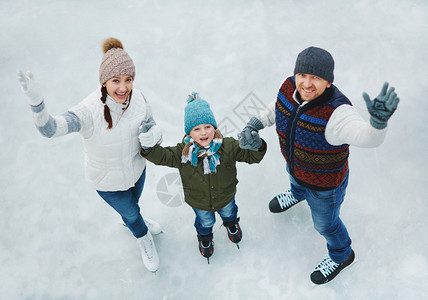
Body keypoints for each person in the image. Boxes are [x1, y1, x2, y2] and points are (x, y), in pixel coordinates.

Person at [238, 46, 399, 285]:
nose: (307, 83)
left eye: (316, 77)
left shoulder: (338, 113)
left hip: (325, 189)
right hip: (296, 168)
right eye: (303, 75)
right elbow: (277, 107)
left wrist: (377, 123)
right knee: (295, 182)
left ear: (329, 83)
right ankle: (297, 193)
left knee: (326, 224)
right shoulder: (289, 87)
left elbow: (366, 137)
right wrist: (255, 124)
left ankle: (342, 255)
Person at [17, 37, 164, 272]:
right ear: (104, 81)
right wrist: (37, 104)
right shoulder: (88, 111)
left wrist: (154, 135)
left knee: (132, 207)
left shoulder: (139, 98)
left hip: (137, 170)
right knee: (131, 213)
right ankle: (142, 236)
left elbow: (152, 125)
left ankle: (133, 221)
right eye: (116, 80)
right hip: (108, 182)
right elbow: (50, 129)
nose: (123, 88)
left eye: (128, 80)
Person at [138, 92, 267, 262]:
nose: (203, 132)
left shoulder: (228, 146)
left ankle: (231, 224)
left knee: (230, 212)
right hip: (199, 201)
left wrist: (257, 146)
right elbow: (162, 156)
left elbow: (251, 157)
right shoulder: (182, 154)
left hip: (226, 196)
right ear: (189, 133)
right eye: (197, 129)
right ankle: (205, 238)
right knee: (204, 222)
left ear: (214, 127)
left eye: (207, 127)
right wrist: (148, 147)